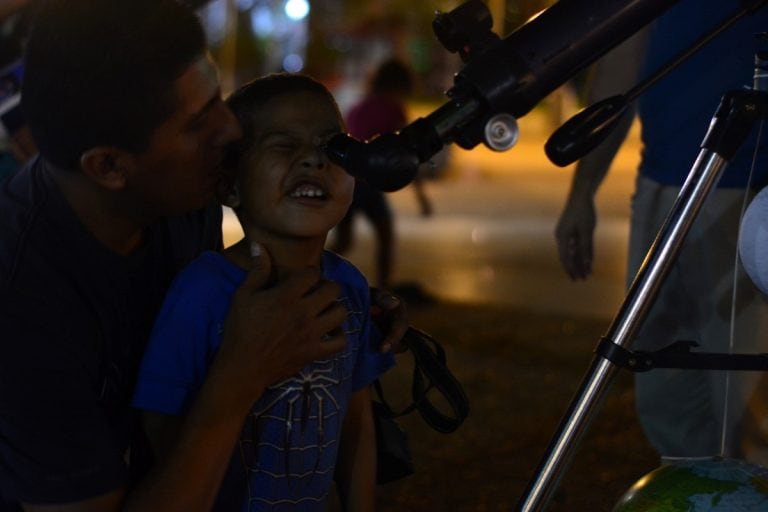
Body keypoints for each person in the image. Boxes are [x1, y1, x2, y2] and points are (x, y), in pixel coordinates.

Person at [0, 1, 407, 510]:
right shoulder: (25, 306)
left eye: (217, 97)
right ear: (109, 166)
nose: (230, 130)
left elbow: (218, 305)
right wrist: (239, 376)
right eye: (198, 122)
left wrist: (335, 303)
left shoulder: (177, 195)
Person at [132, 73, 394, 511]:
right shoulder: (202, 292)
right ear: (230, 184)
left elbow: (356, 420)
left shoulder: (349, 286)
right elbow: (161, 426)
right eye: (284, 146)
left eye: (333, 145)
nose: (314, 160)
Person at [555, 0, 768, 462]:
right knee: (666, 396)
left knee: (749, 410)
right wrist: (582, 191)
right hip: (661, 186)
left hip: (747, 193)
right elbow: (620, 65)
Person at [332, 58, 433, 290]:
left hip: (347, 181)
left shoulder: (358, 107)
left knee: (343, 242)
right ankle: (384, 289)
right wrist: (421, 197)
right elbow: (406, 155)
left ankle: (310, 273)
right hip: (367, 185)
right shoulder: (393, 109)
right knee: (385, 238)